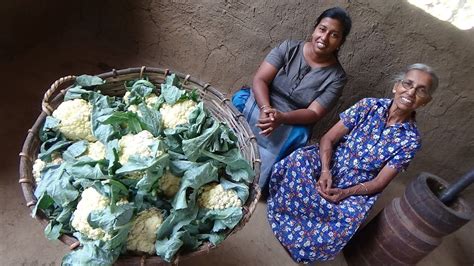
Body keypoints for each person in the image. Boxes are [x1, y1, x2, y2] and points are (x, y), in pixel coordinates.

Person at [267, 63, 439, 263]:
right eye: (407, 84)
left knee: (347, 218)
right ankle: (285, 216)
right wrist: (325, 170)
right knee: (297, 162)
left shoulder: (411, 140)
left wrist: (345, 192)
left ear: (425, 101)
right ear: (395, 86)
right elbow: (328, 139)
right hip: (332, 162)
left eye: (420, 90)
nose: (410, 92)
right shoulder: (368, 106)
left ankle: (301, 242)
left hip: (360, 184)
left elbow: (380, 182)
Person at [232, 7, 352, 190]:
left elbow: (314, 112)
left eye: (334, 35)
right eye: (322, 29)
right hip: (263, 102)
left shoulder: (337, 77)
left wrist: (282, 118)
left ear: (340, 42)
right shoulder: (289, 47)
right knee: (239, 102)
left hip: (293, 119)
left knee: (296, 138)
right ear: (314, 28)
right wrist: (266, 109)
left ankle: (256, 182)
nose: (324, 38)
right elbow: (260, 79)